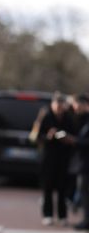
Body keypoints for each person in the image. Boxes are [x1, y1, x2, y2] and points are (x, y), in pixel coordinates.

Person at [37, 92, 75, 225]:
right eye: (56, 104)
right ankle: (47, 215)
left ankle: (62, 215)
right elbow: (38, 137)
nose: (59, 107)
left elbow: (73, 135)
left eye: (61, 104)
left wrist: (67, 138)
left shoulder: (68, 118)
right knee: (47, 187)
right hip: (48, 158)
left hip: (63, 158)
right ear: (52, 104)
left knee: (62, 188)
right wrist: (48, 136)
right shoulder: (46, 117)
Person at [62, 94, 89, 230]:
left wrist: (75, 141)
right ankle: (85, 219)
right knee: (83, 192)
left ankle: (86, 220)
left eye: (78, 105)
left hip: (86, 164)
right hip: (82, 163)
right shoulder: (80, 119)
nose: (75, 107)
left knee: (84, 192)